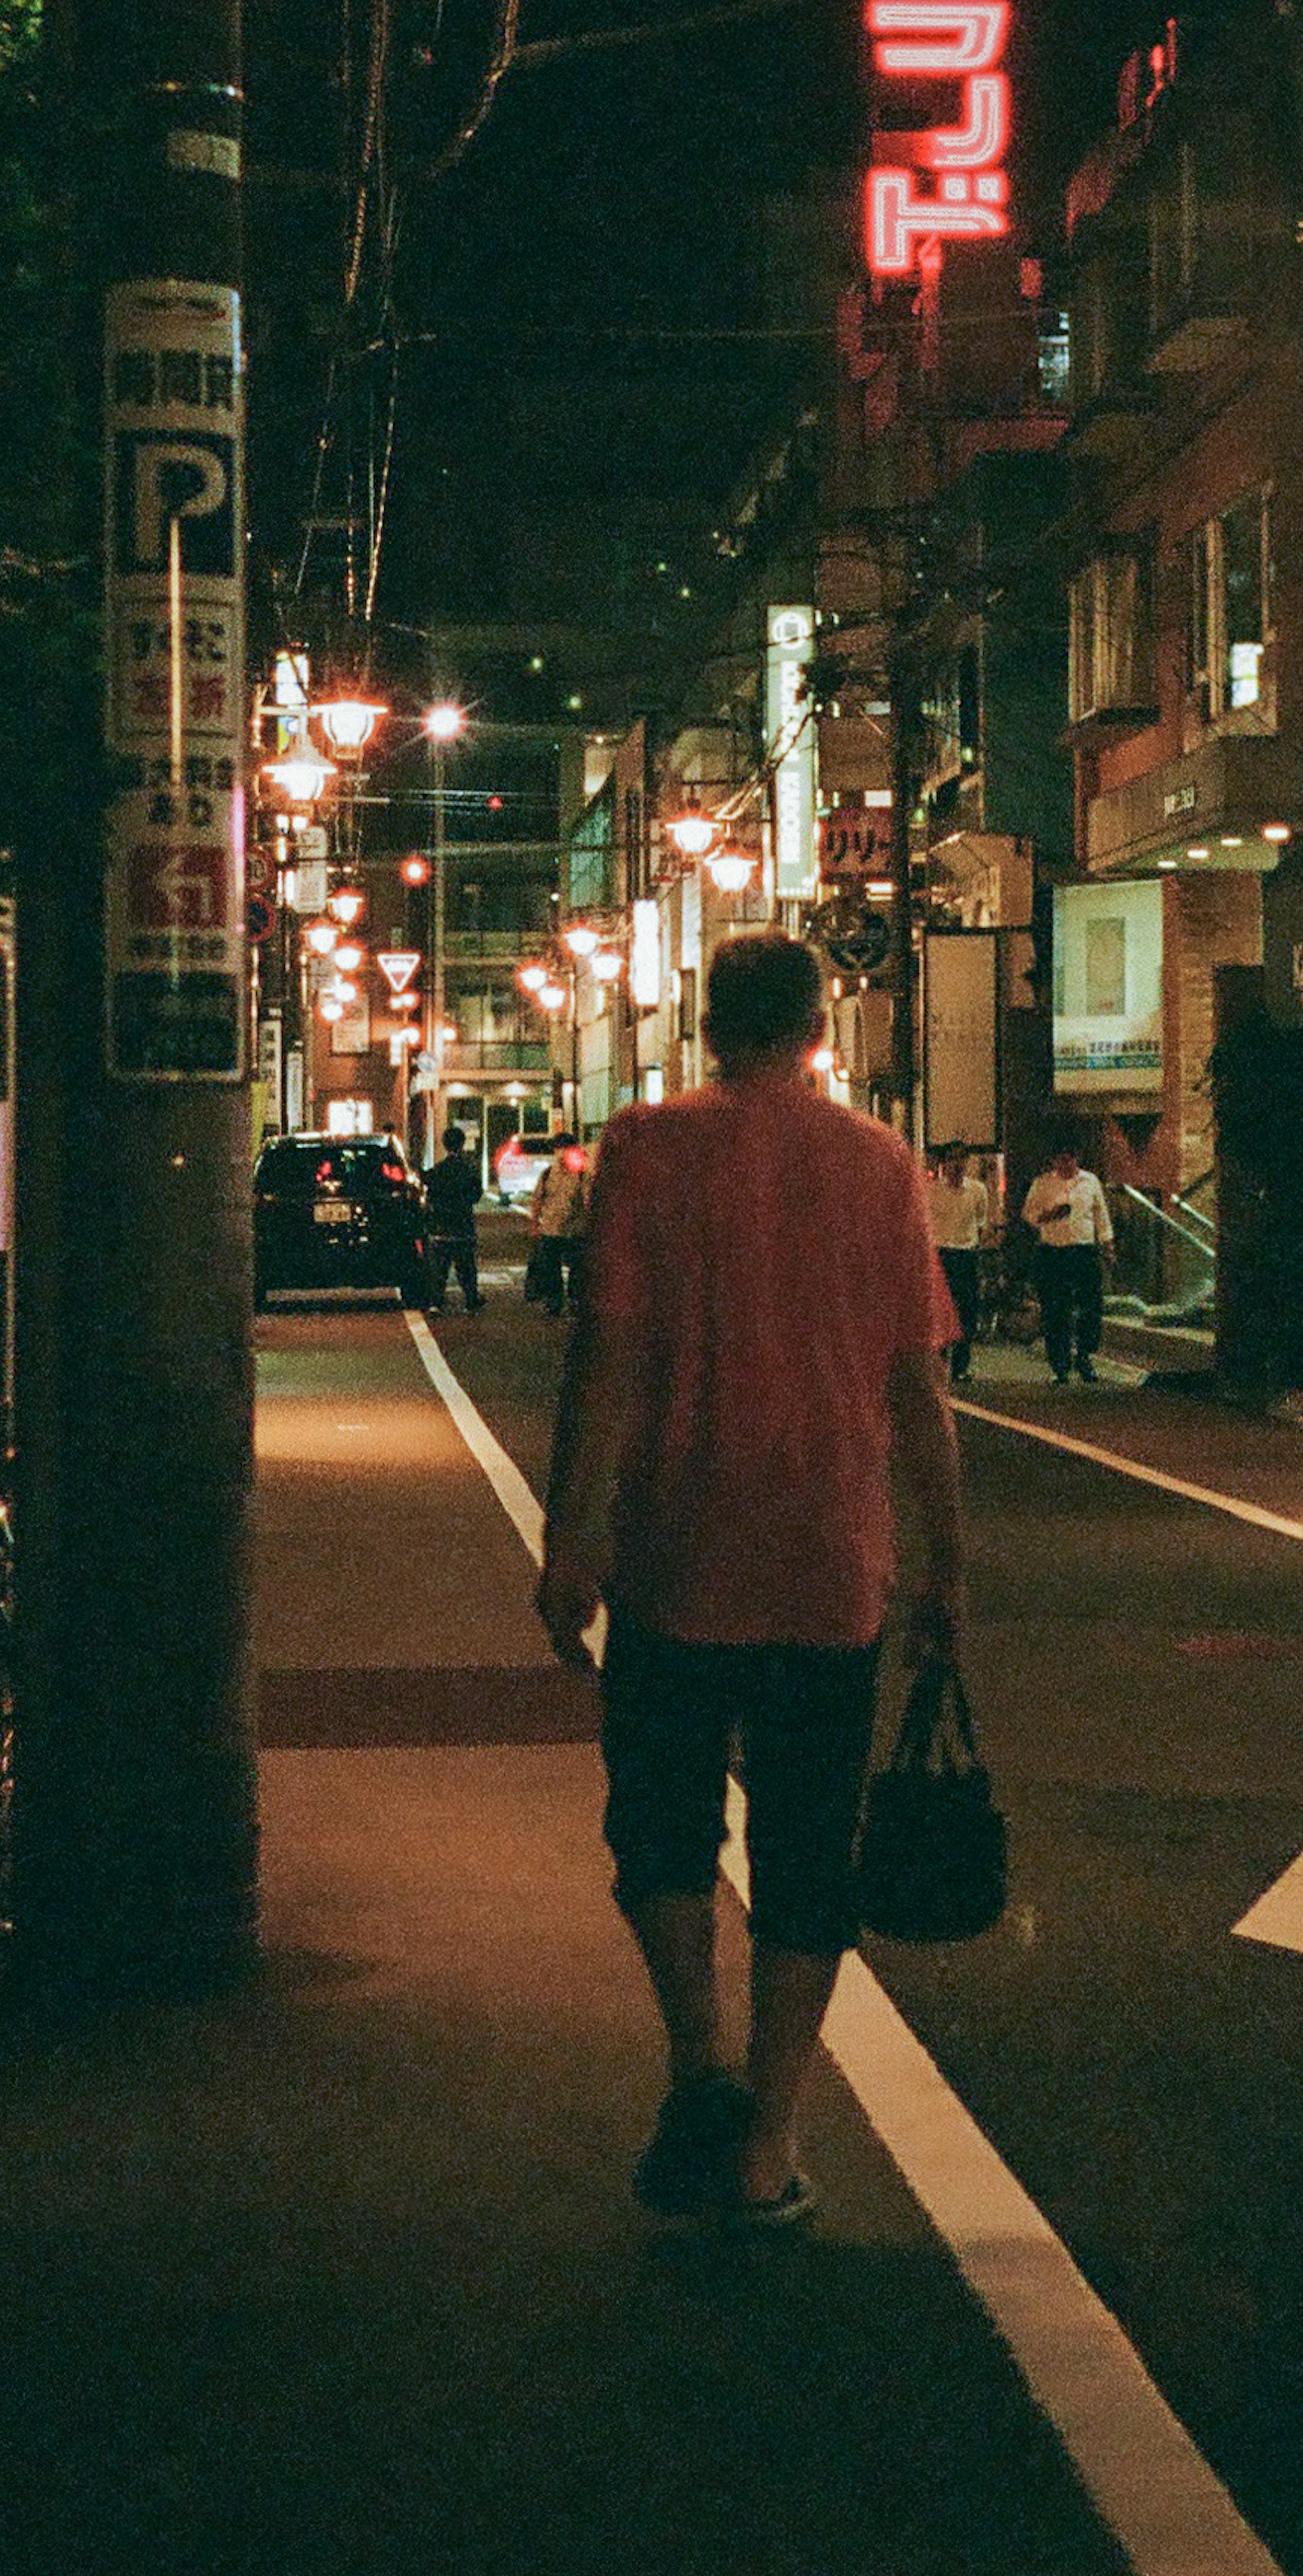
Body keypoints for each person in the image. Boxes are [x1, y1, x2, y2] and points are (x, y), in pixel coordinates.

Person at [535, 932, 966, 2229]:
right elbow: (917, 1387)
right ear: (816, 1024)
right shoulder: (878, 1162)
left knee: (659, 1828)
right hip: (831, 1561)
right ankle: (769, 2139)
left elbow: (603, 1362)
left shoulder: (648, 1149)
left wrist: (570, 1539)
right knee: (804, 1852)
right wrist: (947, 1562)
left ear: (710, 1021)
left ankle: (696, 2070)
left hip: (676, 1555)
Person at [1021, 1136, 1111, 1387]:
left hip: (1083, 1250)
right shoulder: (1043, 1184)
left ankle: (1085, 1355)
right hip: (1053, 1252)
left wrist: (1107, 1244)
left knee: (1091, 1306)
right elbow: (1028, 1214)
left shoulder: (1090, 1181)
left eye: (1070, 1159)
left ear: (1077, 1158)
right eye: (1061, 1159)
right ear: (1054, 1161)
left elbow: (1100, 1214)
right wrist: (1046, 1216)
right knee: (1055, 1309)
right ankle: (1060, 1365)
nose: (1066, 1164)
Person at [923, 1150, 990, 1386]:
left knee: (966, 1310)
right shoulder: (933, 1191)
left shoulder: (978, 1191)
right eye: (953, 1159)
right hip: (942, 1253)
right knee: (941, 1309)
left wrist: (976, 1247)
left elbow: (981, 1223)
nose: (958, 1164)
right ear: (945, 1163)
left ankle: (961, 1366)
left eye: (962, 1159)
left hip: (966, 1253)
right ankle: (940, 1362)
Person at [525, 1137, 591, 1316]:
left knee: (577, 1269)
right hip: (551, 1229)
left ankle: (575, 1301)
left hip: (575, 1230)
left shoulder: (583, 1174)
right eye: (558, 1149)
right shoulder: (547, 1174)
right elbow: (538, 1200)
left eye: (565, 1149)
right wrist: (535, 1224)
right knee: (551, 1269)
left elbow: (588, 1202)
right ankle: (554, 1303)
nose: (560, 1153)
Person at [422, 1127, 483, 1312]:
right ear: (462, 1144)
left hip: (441, 1226)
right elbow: (476, 1195)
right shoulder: (468, 1169)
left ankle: (436, 1302)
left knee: (440, 1268)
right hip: (463, 1225)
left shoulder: (438, 1170)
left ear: (445, 1144)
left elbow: (430, 1194)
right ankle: (471, 1300)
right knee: (466, 1267)